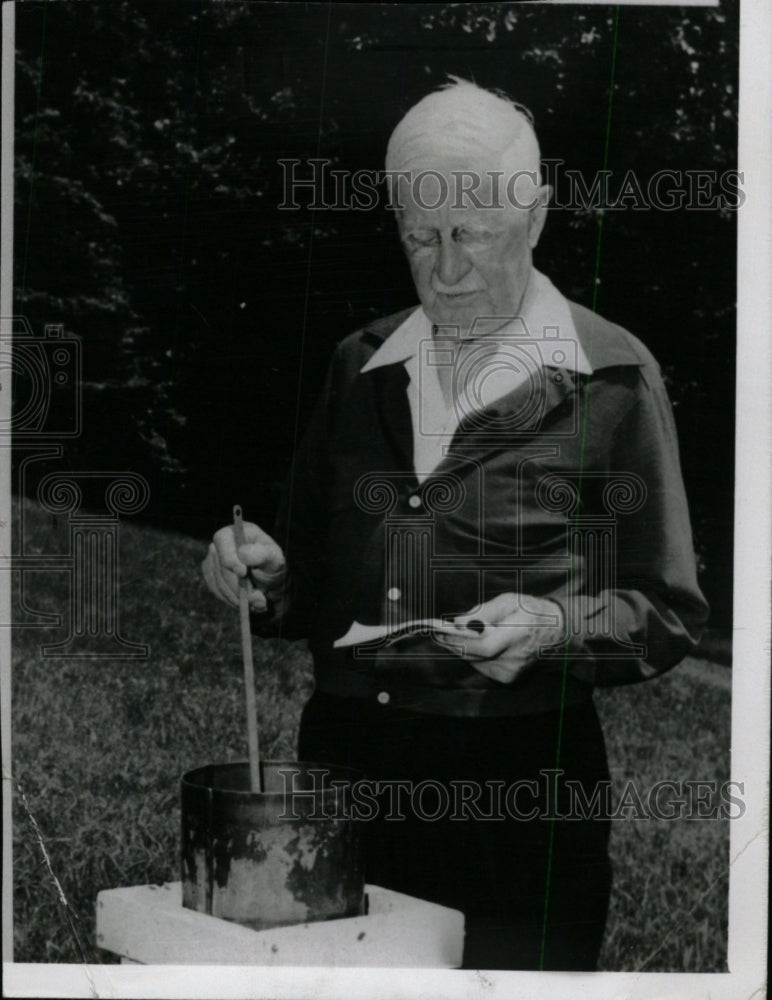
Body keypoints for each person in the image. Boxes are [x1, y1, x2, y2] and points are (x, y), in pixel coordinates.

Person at [201, 79, 709, 970]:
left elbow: (666, 610)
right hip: (345, 769)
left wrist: (555, 626)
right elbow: (312, 570)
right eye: (418, 237)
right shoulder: (360, 364)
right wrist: (273, 578)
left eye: (471, 235)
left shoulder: (615, 377)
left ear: (537, 217)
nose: (443, 270)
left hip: (520, 790)